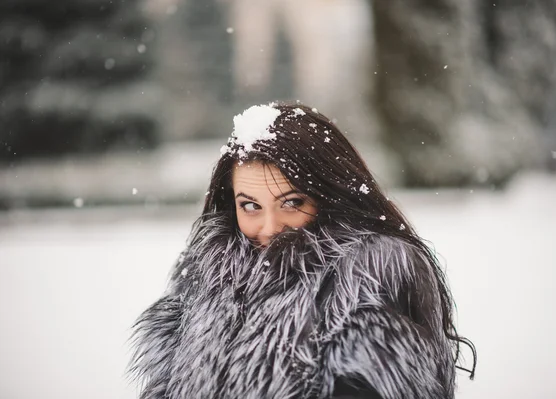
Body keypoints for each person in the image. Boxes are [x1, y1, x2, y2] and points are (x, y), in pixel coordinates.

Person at [129, 103, 476, 399]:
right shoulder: (208, 274)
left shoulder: (371, 275)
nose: (269, 227)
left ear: (328, 196)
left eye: (291, 202)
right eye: (250, 206)